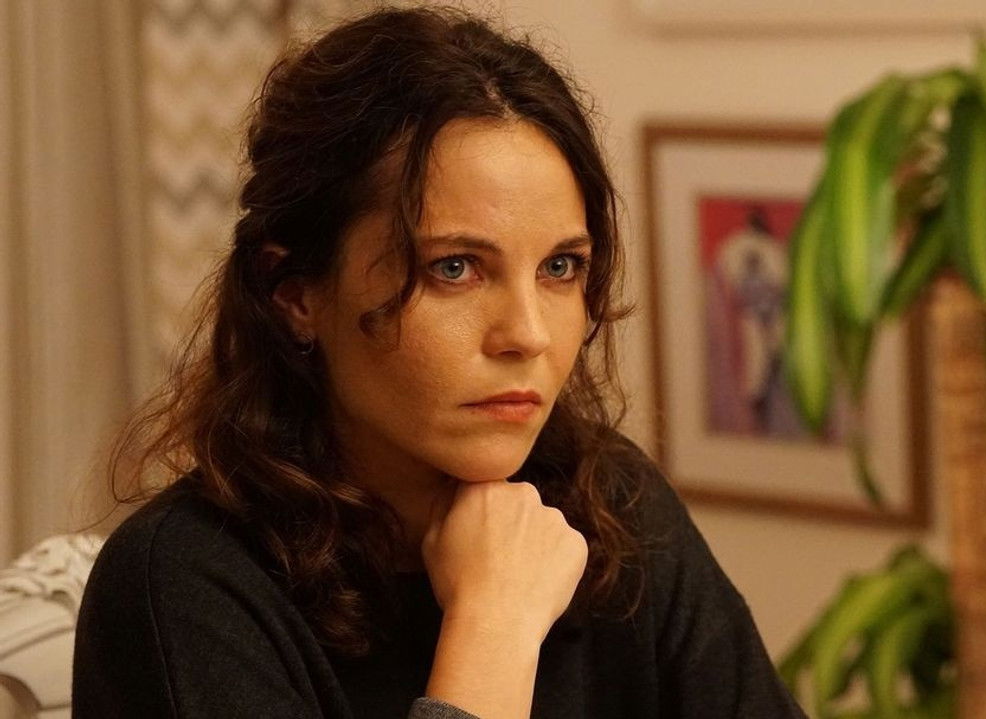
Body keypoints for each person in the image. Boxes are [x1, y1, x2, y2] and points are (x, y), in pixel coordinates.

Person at [71, 6, 807, 719]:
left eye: (559, 267)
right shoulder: (182, 586)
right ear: (294, 294)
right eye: (454, 268)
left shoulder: (614, 503)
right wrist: (494, 626)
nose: (527, 335)